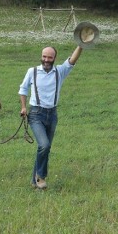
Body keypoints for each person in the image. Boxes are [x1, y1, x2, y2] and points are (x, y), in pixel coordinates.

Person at [18, 45, 83, 190]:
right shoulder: (32, 71)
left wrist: (81, 45)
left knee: (45, 148)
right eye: (44, 57)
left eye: (49, 57)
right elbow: (23, 89)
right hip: (35, 114)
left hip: (52, 115)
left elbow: (72, 60)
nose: (46, 60)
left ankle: (34, 181)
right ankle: (41, 177)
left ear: (54, 58)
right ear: (41, 56)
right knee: (44, 145)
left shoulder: (60, 72)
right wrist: (23, 107)